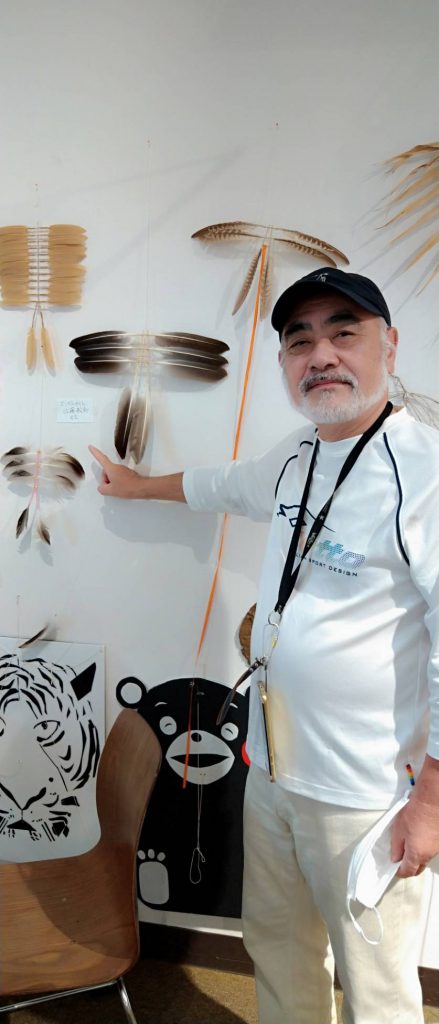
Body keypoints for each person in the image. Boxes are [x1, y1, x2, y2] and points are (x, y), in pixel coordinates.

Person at [90, 267, 439, 1024]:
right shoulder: (297, 455)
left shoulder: (425, 473)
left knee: (376, 986)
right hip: (271, 773)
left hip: (366, 795)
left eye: (343, 332)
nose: (321, 355)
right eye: (299, 340)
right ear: (283, 361)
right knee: (277, 951)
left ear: (388, 345)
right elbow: (220, 484)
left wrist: (433, 804)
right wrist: (134, 486)